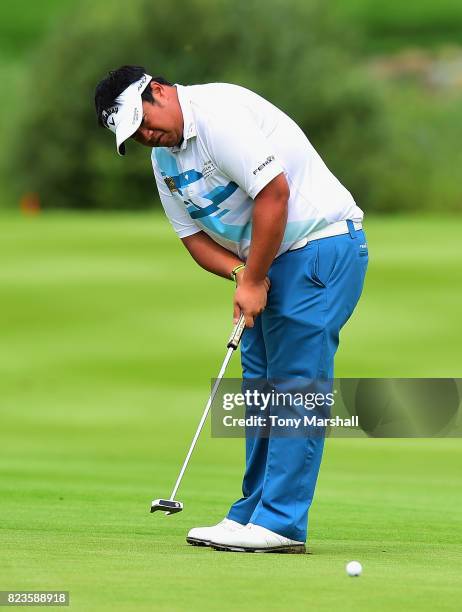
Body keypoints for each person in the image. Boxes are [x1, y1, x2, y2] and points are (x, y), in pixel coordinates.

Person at [94, 65, 368, 553]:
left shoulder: (217, 114)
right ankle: (252, 514)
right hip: (269, 261)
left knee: (294, 386)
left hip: (317, 247)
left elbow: (274, 192)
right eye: (136, 136)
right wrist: (243, 276)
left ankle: (281, 522)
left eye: (146, 122)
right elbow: (192, 237)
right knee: (262, 385)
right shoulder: (164, 159)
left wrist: (256, 276)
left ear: (158, 91)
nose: (148, 136)